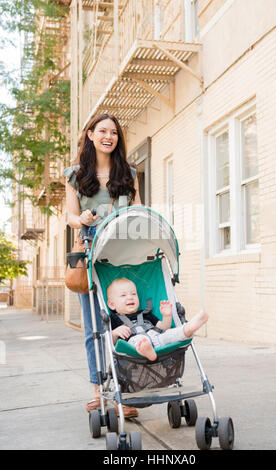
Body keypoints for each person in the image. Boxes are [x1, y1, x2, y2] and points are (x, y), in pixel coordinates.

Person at [64, 113, 141, 417]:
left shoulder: (129, 173)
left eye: (114, 133)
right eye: (103, 131)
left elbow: (138, 209)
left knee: (126, 322)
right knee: (94, 327)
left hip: (122, 257)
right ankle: (99, 390)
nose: (109, 136)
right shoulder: (75, 174)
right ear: (91, 135)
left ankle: (125, 392)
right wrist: (81, 219)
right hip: (89, 256)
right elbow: (70, 216)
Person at [107, 278, 209, 361]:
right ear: (112, 304)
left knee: (169, 334)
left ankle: (188, 328)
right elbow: (111, 341)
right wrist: (115, 333)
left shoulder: (145, 313)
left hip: (156, 337)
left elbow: (163, 327)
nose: (130, 297)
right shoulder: (114, 319)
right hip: (133, 344)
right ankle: (146, 349)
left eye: (133, 294)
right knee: (140, 341)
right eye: (123, 295)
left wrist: (167, 316)